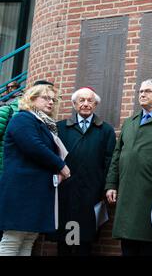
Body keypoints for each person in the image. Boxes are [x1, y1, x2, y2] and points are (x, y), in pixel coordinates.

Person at [105, 79, 152, 256]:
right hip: (126, 192)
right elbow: (117, 155)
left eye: (147, 91)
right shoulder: (129, 122)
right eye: (140, 91)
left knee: (149, 245)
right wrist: (111, 184)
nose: (142, 94)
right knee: (128, 245)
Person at [0, 84, 71, 255]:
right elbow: (34, 146)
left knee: (29, 238)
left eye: (53, 100)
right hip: (21, 189)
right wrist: (61, 166)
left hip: (35, 188)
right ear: (31, 99)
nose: (51, 102)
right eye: (46, 98)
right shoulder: (23, 118)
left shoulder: (43, 123)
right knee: (13, 238)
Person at [49, 87, 116, 256]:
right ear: (74, 104)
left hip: (91, 193)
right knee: (64, 241)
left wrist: (108, 186)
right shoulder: (60, 128)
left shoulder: (106, 130)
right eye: (82, 100)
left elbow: (110, 161)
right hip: (65, 193)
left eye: (90, 101)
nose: (86, 104)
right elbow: (52, 157)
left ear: (95, 104)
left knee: (84, 242)